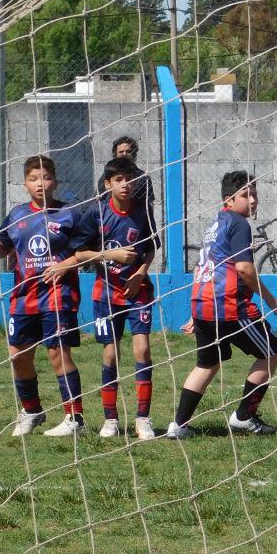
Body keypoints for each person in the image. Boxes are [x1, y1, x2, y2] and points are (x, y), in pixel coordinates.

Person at [167, 170, 277, 439]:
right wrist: (270, 299)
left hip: (203, 305)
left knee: (207, 364)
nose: (253, 200)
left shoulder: (214, 226)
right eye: (246, 194)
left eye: (255, 193)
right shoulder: (239, 225)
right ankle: (244, 417)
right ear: (228, 200)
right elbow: (244, 269)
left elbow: (205, 267)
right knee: (272, 352)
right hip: (229, 307)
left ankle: (179, 426)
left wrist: (196, 312)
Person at [0, 155, 90, 438]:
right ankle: (32, 410)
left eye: (45, 177)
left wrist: (67, 264)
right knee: (18, 356)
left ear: (55, 181)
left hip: (58, 296)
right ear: (25, 184)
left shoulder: (71, 214)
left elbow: (90, 252)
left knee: (57, 353)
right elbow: (5, 249)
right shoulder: (17, 215)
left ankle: (74, 416)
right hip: (23, 296)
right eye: (33, 179)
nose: (40, 184)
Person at [73, 156, 160, 441]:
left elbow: (150, 249)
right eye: (118, 180)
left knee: (142, 349)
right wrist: (110, 255)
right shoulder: (95, 214)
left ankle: (142, 419)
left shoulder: (143, 212)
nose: (125, 184)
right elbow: (80, 254)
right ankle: (110, 419)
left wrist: (141, 273)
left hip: (138, 292)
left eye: (129, 179)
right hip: (106, 294)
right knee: (110, 353)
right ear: (108, 184)